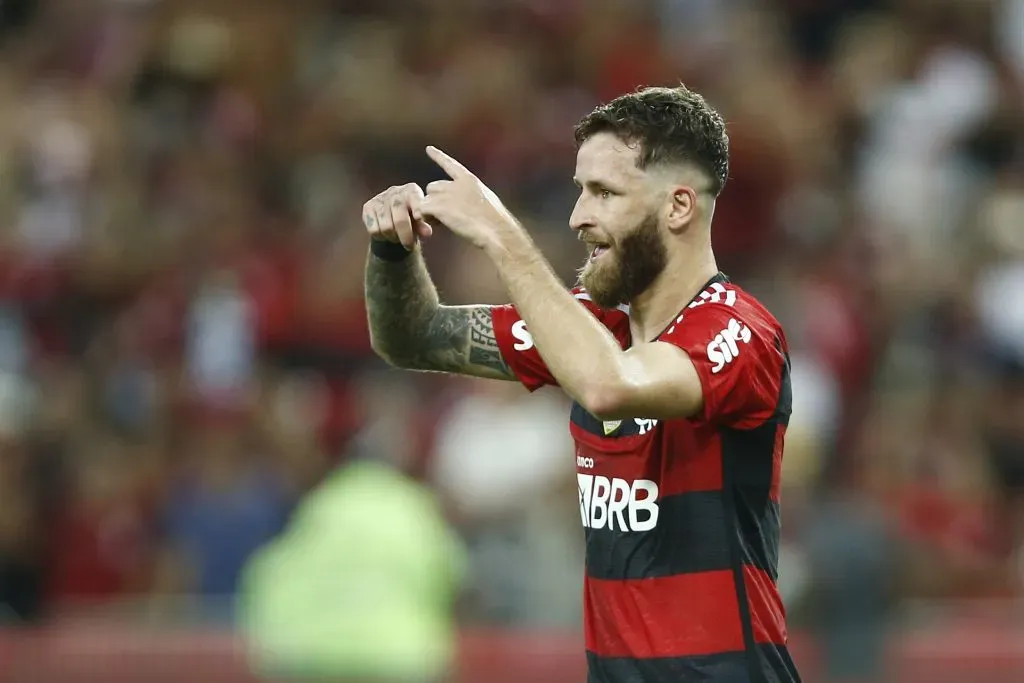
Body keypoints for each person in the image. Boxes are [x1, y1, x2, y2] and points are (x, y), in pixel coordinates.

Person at [362, 85, 802, 683]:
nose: (577, 217)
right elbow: (411, 338)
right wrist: (394, 253)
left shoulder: (739, 332)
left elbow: (608, 385)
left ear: (677, 207)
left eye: (604, 193)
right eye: (579, 191)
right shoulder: (589, 324)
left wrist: (501, 233)